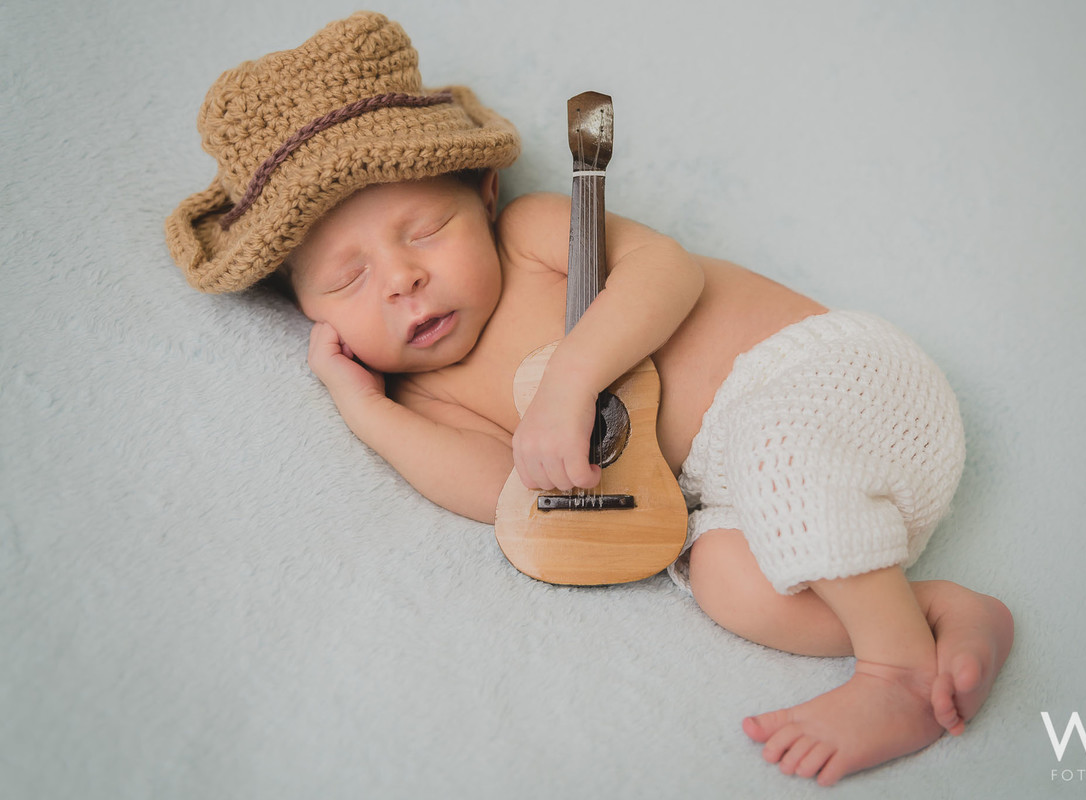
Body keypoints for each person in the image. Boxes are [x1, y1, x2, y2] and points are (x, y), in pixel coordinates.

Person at [166, 12, 1013, 786]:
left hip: (829, 385)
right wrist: (368, 409)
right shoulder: (425, 393)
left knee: (782, 455)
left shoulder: (537, 233)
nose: (402, 280)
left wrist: (572, 377)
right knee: (722, 580)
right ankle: (931, 614)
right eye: (346, 280)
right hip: (766, 505)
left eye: (425, 230)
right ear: (306, 313)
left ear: (484, 194)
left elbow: (666, 270)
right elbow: (507, 488)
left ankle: (896, 674)